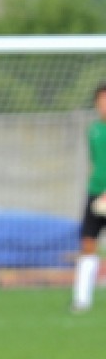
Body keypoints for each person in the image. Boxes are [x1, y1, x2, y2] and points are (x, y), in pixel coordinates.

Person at [71, 81, 106, 314]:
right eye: (101, 101)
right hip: (95, 194)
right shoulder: (93, 130)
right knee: (88, 243)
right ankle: (82, 300)